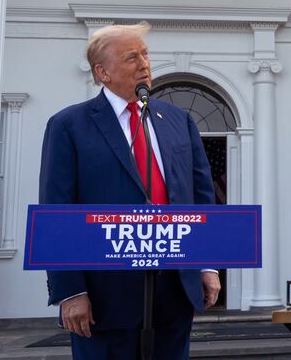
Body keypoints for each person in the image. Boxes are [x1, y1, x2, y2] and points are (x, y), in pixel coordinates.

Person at [39, 22, 221, 359]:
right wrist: (70, 290)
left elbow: (200, 198)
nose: (144, 64)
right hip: (103, 296)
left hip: (173, 289)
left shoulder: (178, 120)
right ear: (102, 72)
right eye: (131, 57)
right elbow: (57, 211)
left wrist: (207, 265)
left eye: (146, 55)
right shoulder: (68, 126)